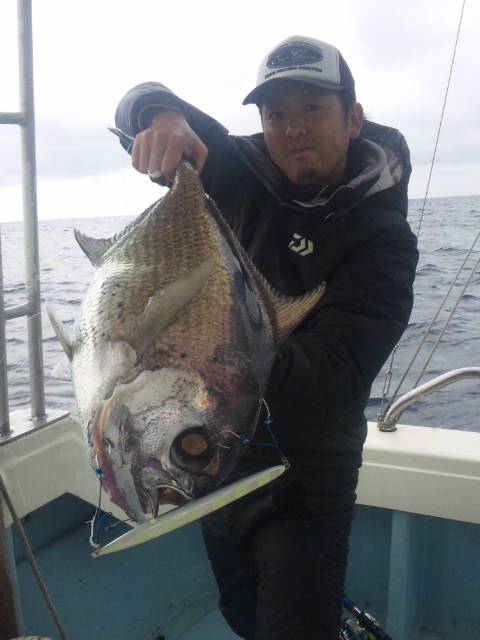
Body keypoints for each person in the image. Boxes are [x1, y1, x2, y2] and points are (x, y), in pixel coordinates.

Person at [114, 35, 418, 640]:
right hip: (211, 456)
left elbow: (335, 373)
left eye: (313, 108)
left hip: (305, 478)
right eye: (275, 113)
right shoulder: (238, 169)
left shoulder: (383, 236)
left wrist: (208, 352)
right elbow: (136, 106)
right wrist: (160, 115)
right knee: (241, 617)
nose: (292, 127)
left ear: (354, 119)